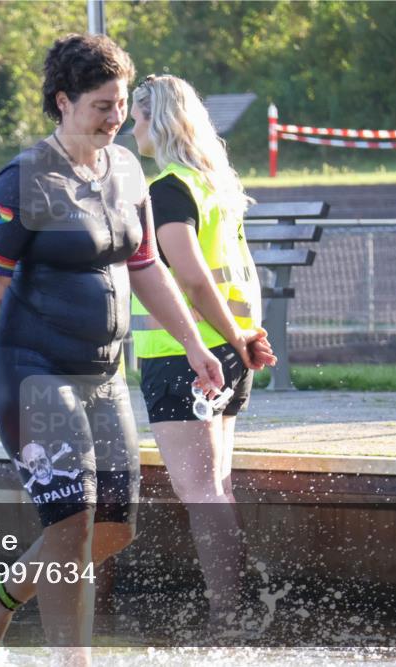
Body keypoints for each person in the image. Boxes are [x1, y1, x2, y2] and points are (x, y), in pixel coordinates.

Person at [0, 35, 229, 666]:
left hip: (103, 375)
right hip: (33, 371)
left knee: (113, 528)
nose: (116, 118)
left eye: (121, 105)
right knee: (70, 526)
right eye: (102, 106)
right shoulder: (24, 180)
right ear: (63, 101)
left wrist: (194, 344)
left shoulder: (127, 171)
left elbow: (147, 267)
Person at [128, 74, 277, 629]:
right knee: (218, 486)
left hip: (186, 356)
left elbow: (191, 276)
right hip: (230, 351)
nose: (132, 130)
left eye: (138, 119)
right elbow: (237, 273)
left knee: (200, 490)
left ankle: (225, 616)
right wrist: (245, 338)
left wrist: (233, 340)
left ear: (159, 121)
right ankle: (239, 609)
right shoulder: (214, 185)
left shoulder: (168, 189)